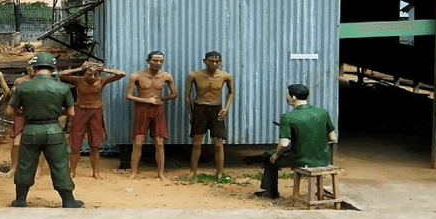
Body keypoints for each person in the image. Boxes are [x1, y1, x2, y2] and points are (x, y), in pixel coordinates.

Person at [7, 52, 83, 208]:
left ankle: (20, 200)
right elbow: (71, 113)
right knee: (60, 164)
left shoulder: (23, 87)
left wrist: (25, 112)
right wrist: (54, 112)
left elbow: (10, 111)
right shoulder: (62, 87)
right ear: (52, 68)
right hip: (53, 130)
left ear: (34, 69)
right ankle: (68, 200)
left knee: (25, 164)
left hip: (30, 130)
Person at [244, 84, 337, 199]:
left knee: (270, 160)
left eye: (287, 95)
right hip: (324, 159)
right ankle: (262, 157)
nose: (286, 97)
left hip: (302, 159)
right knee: (274, 152)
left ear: (293, 97)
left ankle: (271, 192)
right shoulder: (323, 113)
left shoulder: (288, 117)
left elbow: (284, 143)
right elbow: (333, 138)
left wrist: (276, 155)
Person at [60, 60, 125, 179]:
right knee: (75, 144)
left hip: (95, 112)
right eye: (89, 74)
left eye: (95, 74)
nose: (93, 77)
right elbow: (62, 75)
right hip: (80, 111)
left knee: (95, 144)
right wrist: (79, 69)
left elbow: (121, 74)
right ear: (84, 73)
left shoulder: (102, 80)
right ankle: (72, 171)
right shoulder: (78, 80)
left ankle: (96, 171)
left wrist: (105, 70)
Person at [125, 51, 178, 180]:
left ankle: (160, 173)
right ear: (148, 61)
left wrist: (162, 99)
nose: (158, 63)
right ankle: (134, 172)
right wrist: (146, 100)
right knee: (138, 141)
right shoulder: (136, 75)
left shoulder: (166, 76)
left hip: (157, 109)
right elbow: (129, 96)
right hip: (142, 109)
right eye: (155, 60)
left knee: (159, 142)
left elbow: (174, 93)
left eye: (160, 61)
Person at [185, 51, 234, 179]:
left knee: (218, 143)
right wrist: (191, 113)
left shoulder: (225, 76)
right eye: (211, 61)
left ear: (220, 62)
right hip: (200, 108)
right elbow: (187, 96)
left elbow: (231, 93)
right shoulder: (194, 75)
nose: (214, 64)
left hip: (216, 109)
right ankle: (193, 171)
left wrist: (226, 108)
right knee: (197, 142)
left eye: (217, 61)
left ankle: (220, 171)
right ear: (205, 61)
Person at [4, 59, 35, 178]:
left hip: (35, 115)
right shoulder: (20, 81)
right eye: (28, 65)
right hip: (20, 115)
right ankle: (13, 167)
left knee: (38, 143)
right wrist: (13, 93)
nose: (30, 68)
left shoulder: (42, 81)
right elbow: (13, 99)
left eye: (33, 65)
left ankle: (38, 169)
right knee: (16, 143)